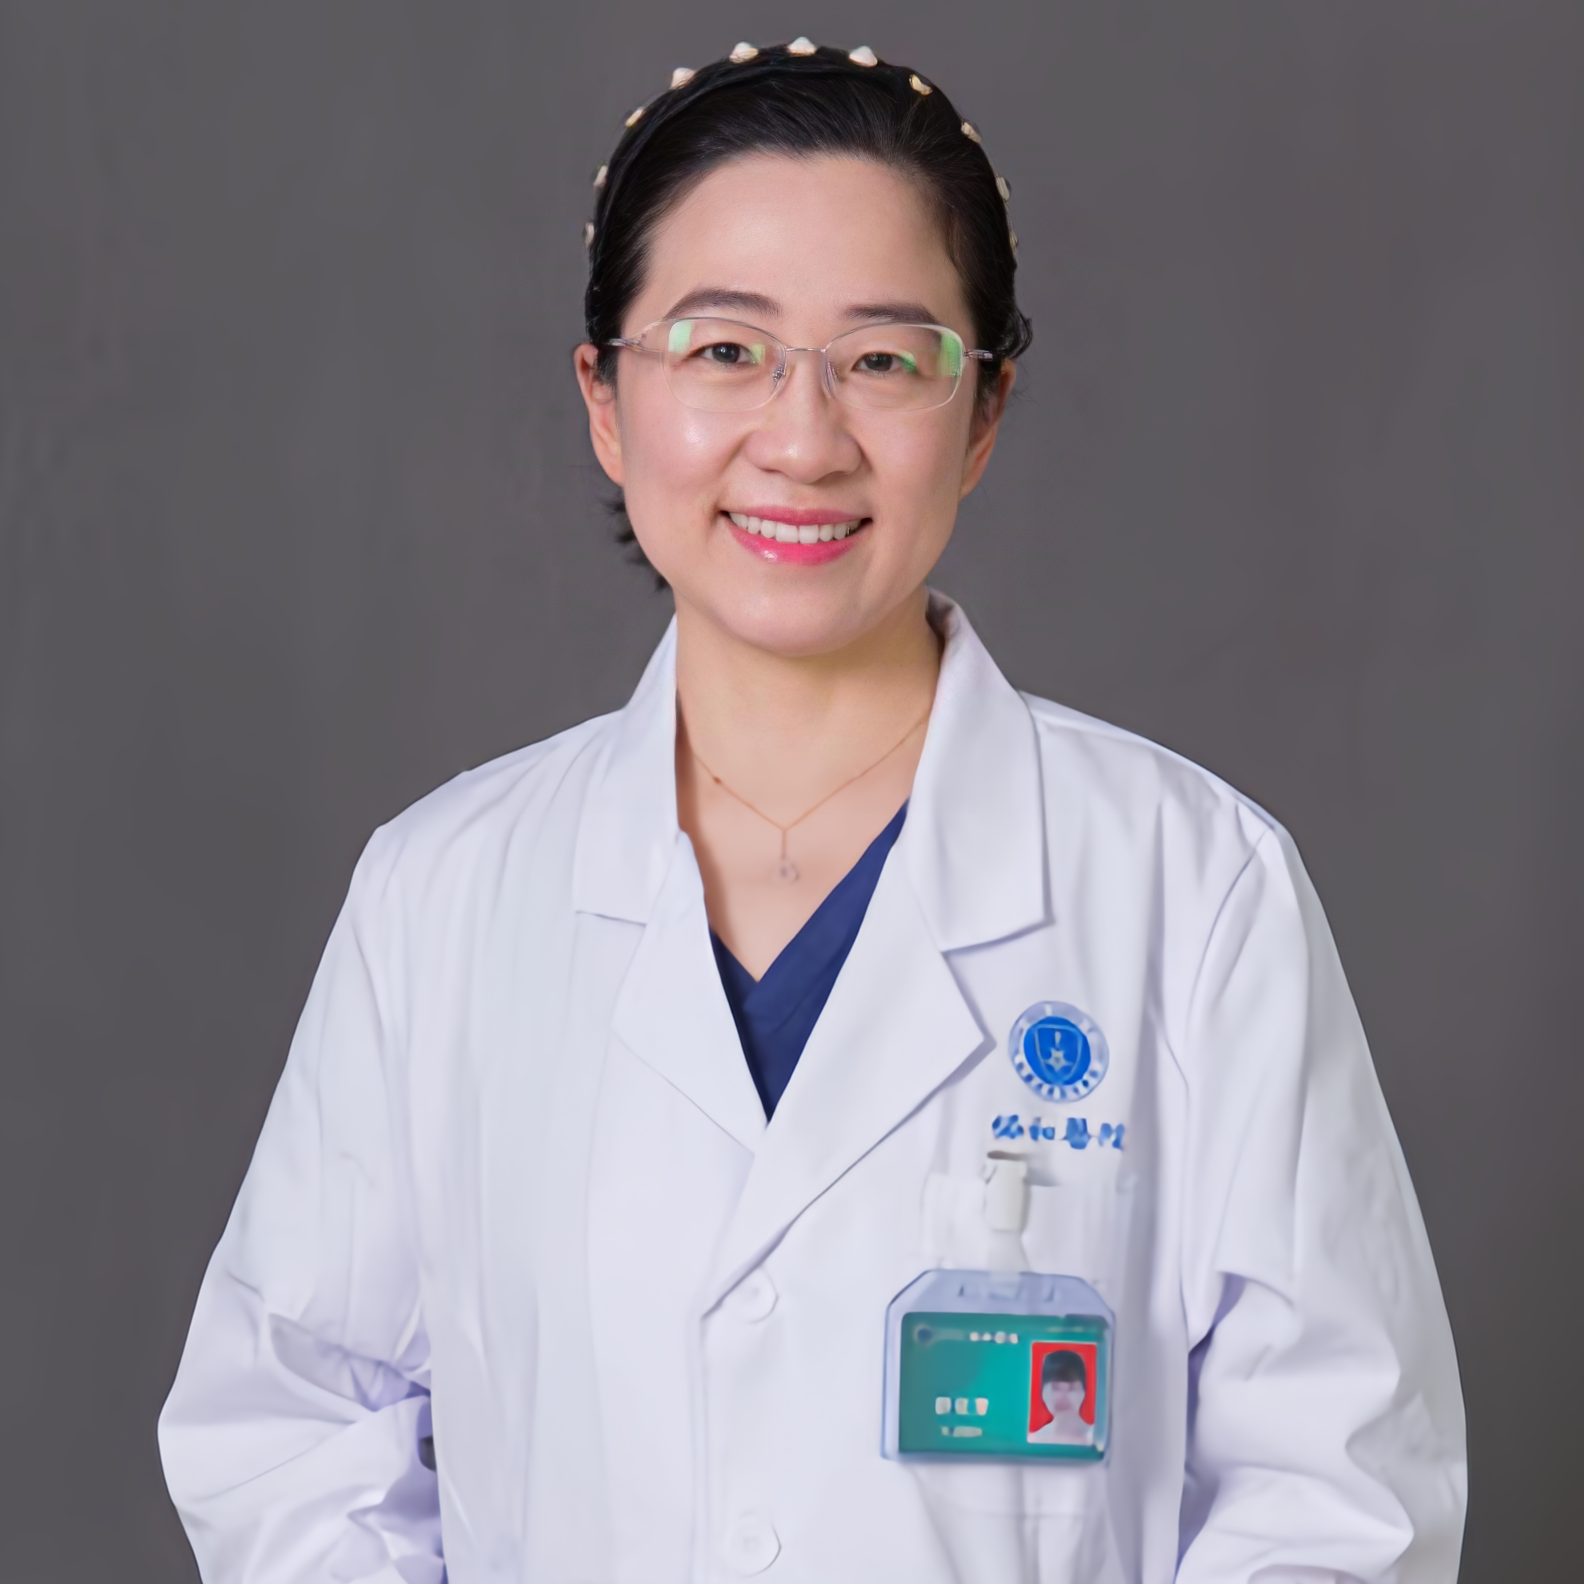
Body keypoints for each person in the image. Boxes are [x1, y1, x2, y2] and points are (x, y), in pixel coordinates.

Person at [158, 38, 1467, 1584]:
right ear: (606, 401)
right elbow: (288, 1428)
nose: (801, 437)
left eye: (885, 360)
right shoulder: (442, 896)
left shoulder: (1192, 889)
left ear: (983, 412)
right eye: (724, 350)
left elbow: (1335, 1495)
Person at [1028, 1350, 1092, 1447]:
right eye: (1056, 1388)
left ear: (1083, 1392)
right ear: (1043, 1393)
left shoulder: (1095, 1439)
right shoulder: (1034, 1441)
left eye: (1071, 1388)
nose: (1063, 1395)